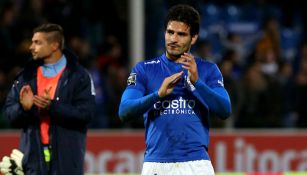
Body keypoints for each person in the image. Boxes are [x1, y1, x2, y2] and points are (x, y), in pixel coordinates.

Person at [118, 4, 231, 175]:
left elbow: (225, 110)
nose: (173, 39)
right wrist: (158, 95)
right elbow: (124, 111)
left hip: (196, 164)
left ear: (193, 38)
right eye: (170, 32)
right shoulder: (145, 69)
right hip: (156, 164)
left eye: (181, 34)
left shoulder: (208, 70)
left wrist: (197, 82)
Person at [0, 23, 96, 175]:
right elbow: (10, 115)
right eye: (32, 42)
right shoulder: (25, 77)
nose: (31, 47)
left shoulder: (79, 77)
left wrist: (53, 107)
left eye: (37, 42)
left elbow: (86, 114)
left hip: (66, 161)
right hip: (33, 161)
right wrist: (24, 109)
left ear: (54, 45)